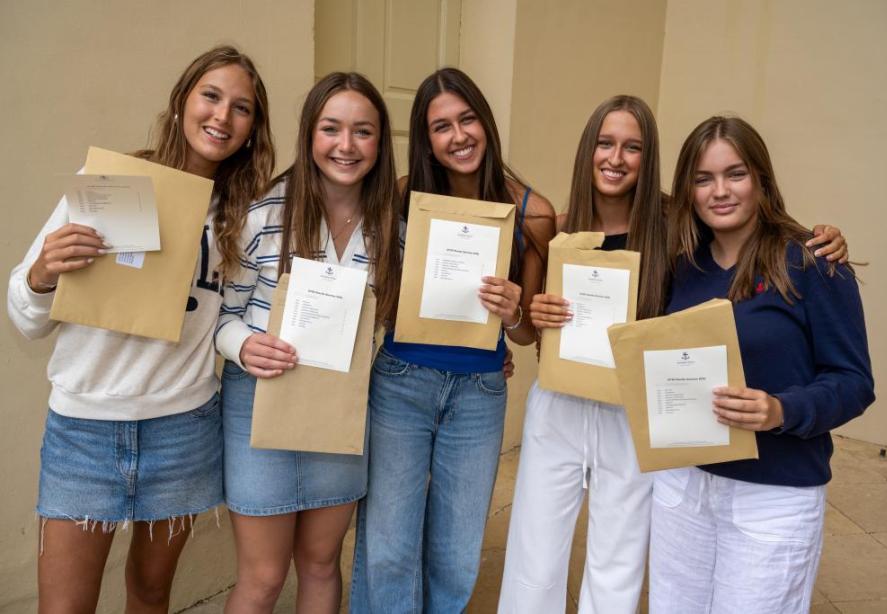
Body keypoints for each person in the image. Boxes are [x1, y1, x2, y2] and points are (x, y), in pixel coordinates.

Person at [498, 97, 849, 613]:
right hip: (560, 403)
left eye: (632, 146)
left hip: (633, 411)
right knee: (533, 551)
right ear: (587, 149)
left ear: (650, 156)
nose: (616, 157)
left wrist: (824, 238)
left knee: (619, 560)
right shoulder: (558, 226)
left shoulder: (674, 228)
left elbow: (748, 228)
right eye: (605, 142)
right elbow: (527, 331)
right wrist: (533, 315)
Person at [7, 46, 273, 613]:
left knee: (150, 598)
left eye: (241, 107)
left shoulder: (242, 215)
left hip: (182, 430)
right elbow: (25, 320)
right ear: (181, 103)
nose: (222, 116)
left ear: (252, 129)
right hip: (84, 429)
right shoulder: (110, 184)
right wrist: (41, 273)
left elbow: (238, 315)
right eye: (211, 96)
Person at [349, 67, 555, 613]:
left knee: (456, 551)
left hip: (480, 391)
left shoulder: (534, 213)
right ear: (426, 139)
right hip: (400, 381)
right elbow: (380, 299)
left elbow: (529, 333)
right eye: (442, 127)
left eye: (467, 120)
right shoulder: (399, 200)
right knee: (390, 546)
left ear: (485, 123)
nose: (458, 136)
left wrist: (512, 315)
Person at [648, 116, 874, 613]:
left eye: (736, 174)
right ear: (688, 190)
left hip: (773, 491)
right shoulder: (682, 264)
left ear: (762, 180)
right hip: (682, 485)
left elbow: (854, 382)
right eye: (704, 179)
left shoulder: (814, 263)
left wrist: (780, 410)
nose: (720, 191)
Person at [215, 72, 402, 614]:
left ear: (379, 143)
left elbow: (395, 323)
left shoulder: (394, 229)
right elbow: (223, 317)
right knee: (264, 578)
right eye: (331, 129)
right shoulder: (264, 213)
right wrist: (244, 346)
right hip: (260, 404)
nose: (346, 146)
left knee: (322, 564)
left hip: (340, 408)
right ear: (309, 134)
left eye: (363, 132)